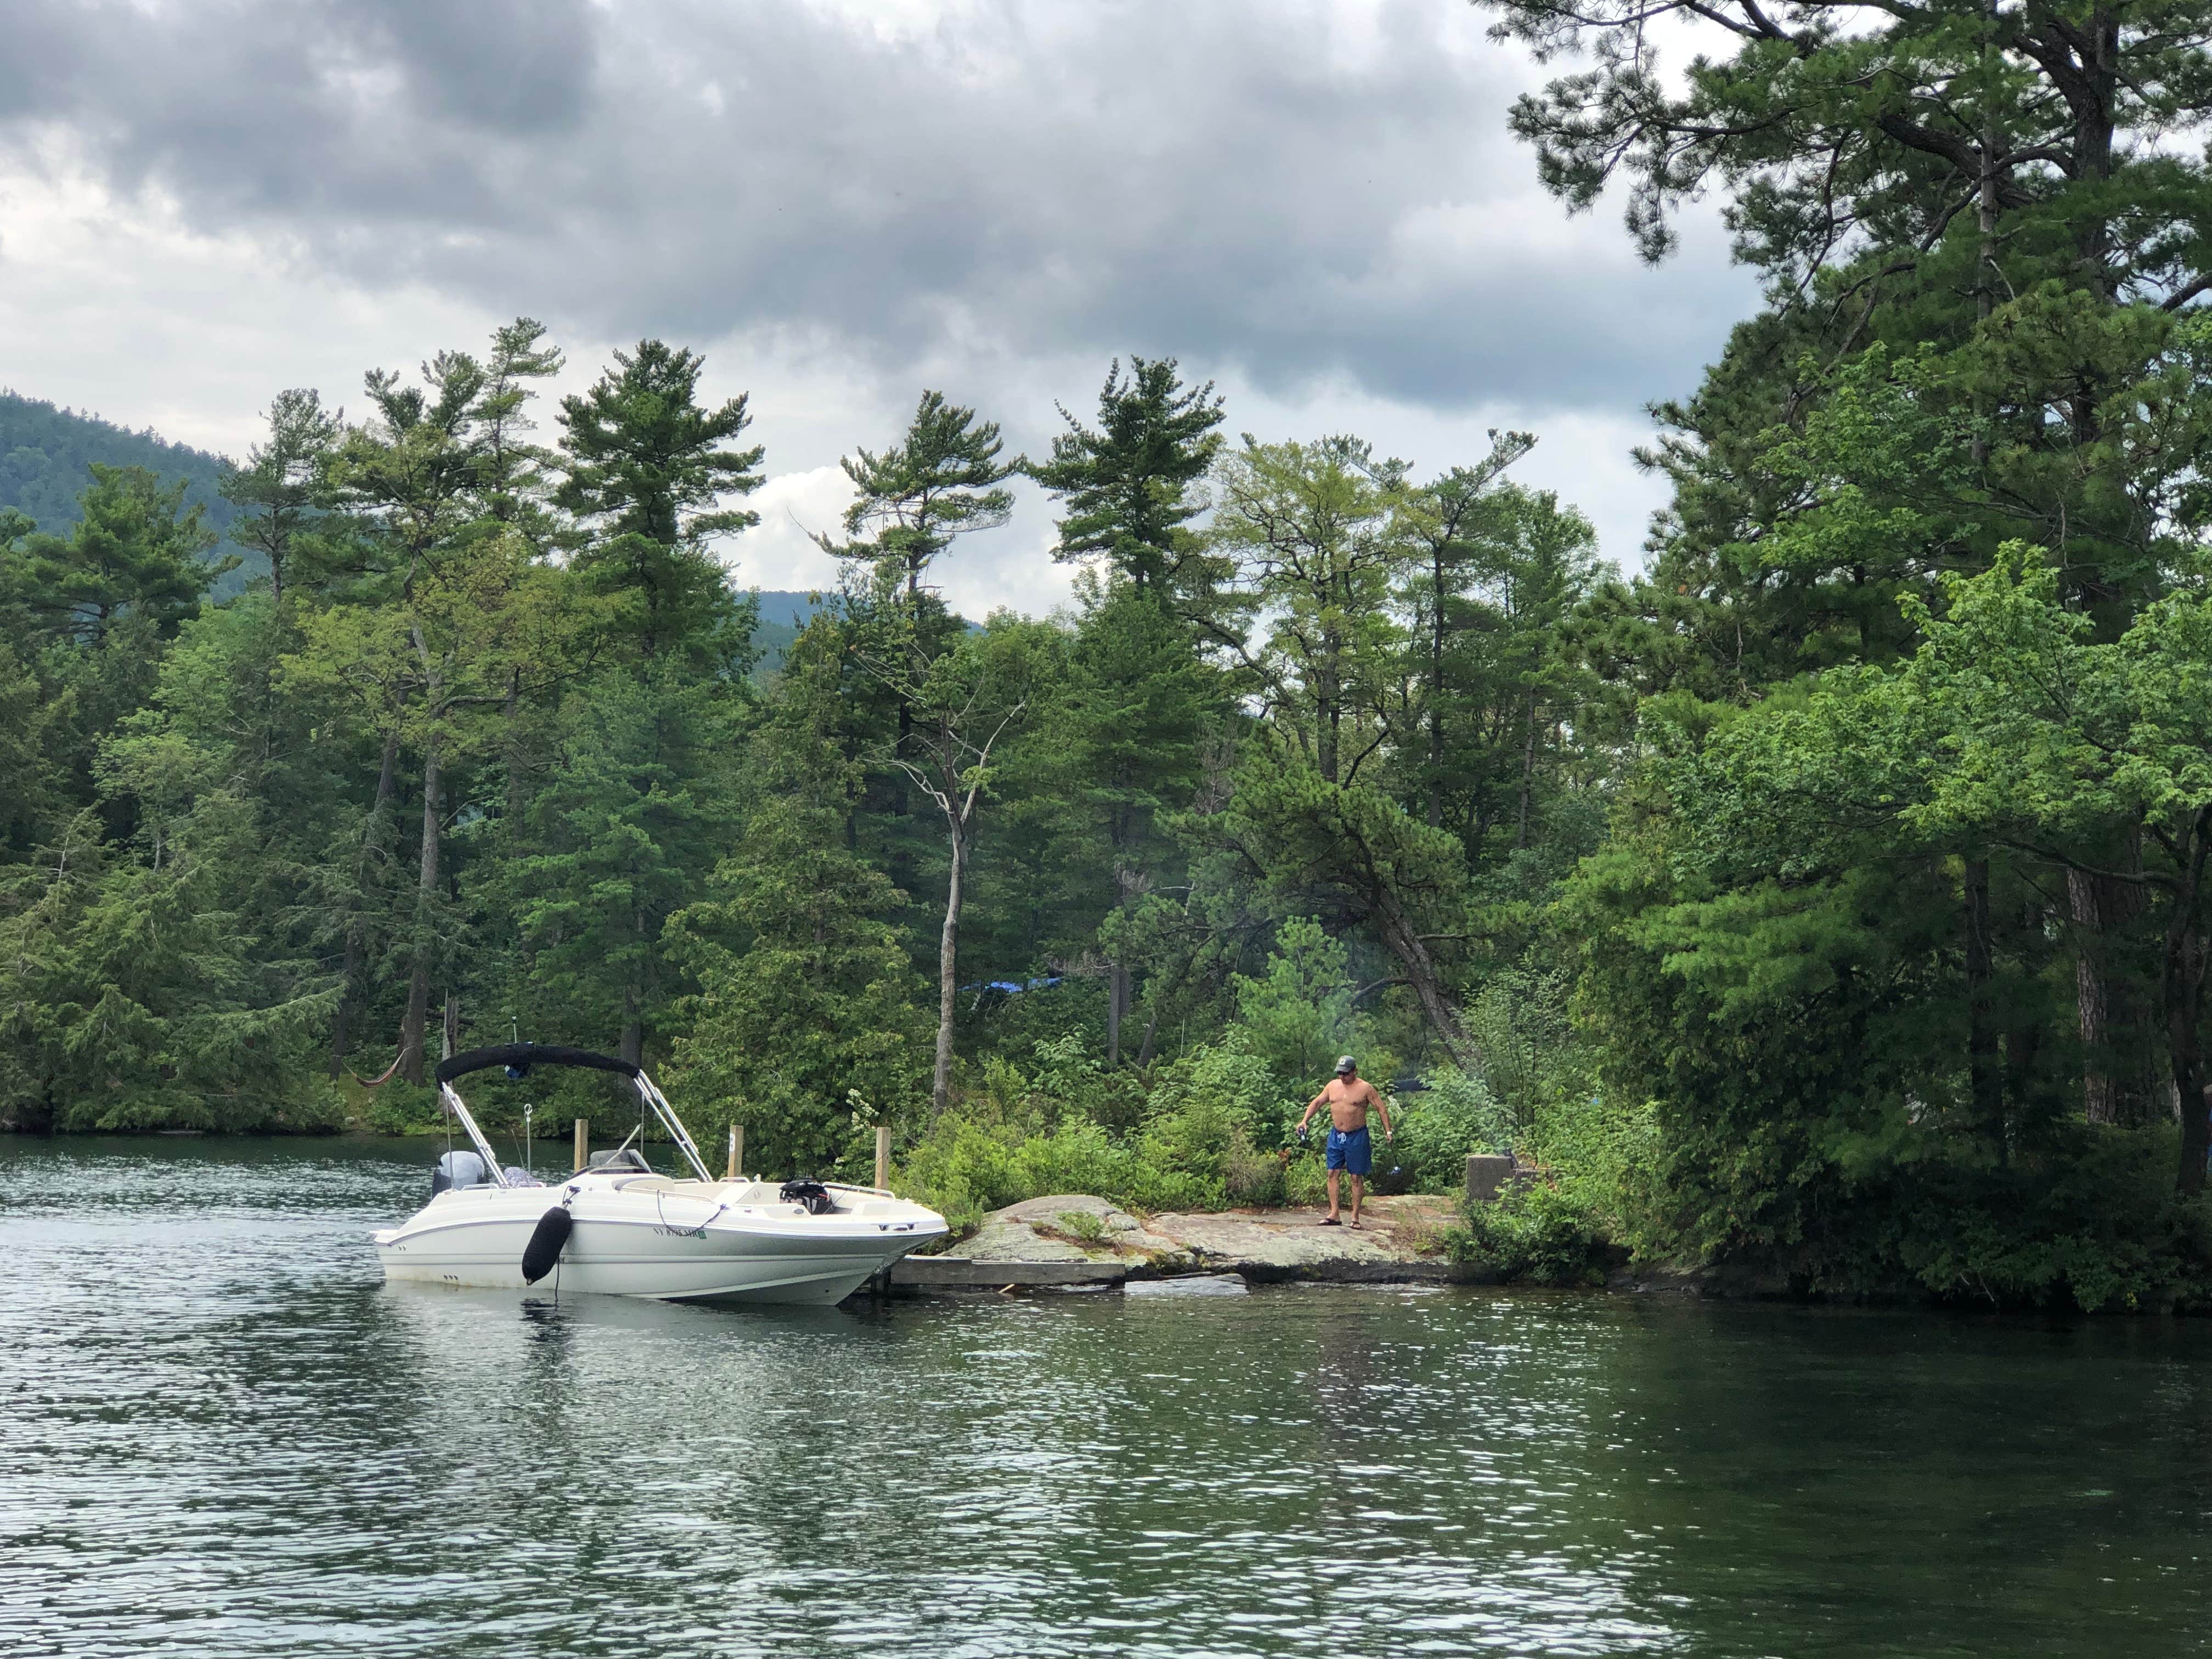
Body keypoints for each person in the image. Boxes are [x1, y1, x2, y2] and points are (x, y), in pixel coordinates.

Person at [1294, 1055, 1393, 1227]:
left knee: (1355, 1176)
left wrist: (1388, 1131)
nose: (1343, 1076)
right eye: (1340, 1073)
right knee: (1333, 1173)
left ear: (1355, 1071)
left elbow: (1381, 1109)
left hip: (1357, 1136)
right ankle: (1334, 1213)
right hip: (1336, 1135)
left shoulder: (1365, 1088)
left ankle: (1355, 1217)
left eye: (1346, 1073)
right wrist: (1305, 1120)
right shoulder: (1333, 1086)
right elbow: (1318, 1102)